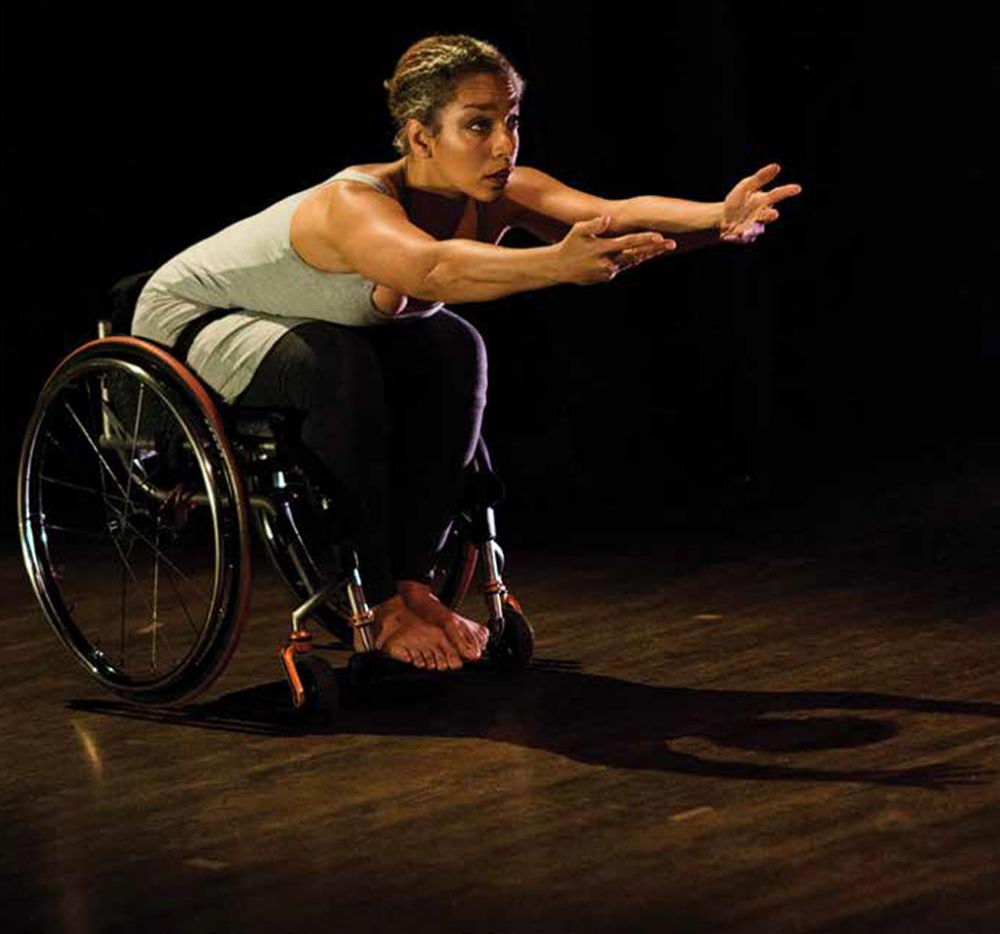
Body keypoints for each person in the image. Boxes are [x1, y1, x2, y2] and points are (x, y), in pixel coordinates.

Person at [131, 33, 802, 673]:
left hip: (313, 322)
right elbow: (437, 271)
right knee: (339, 365)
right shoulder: (352, 206)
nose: (504, 144)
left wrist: (717, 218)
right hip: (197, 321)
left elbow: (613, 216)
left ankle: (413, 583)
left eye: (511, 120)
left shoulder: (499, 190)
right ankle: (378, 603)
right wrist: (555, 266)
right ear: (422, 136)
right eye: (479, 125)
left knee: (455, 345)